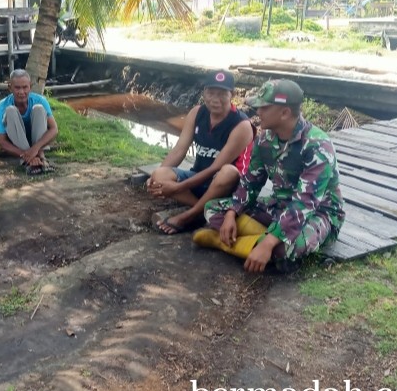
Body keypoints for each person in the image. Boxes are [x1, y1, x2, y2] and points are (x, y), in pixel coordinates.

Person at [192, 79, 345, 273]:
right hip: (278, 206)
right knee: (213, 209)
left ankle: (230, 242)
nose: (258, 112)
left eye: (264, 108)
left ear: (285, 113)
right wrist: (232, 213)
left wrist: (270, 242)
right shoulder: (265, 139)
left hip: (319, 213)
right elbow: (250, 183)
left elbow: (304, 204)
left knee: (287, 248)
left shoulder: (317, 146)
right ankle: (257, 241)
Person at [148, 70, 255, 234]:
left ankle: (189, 216)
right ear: (204, 92)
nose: (215, 99)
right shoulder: (196, 113)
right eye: (211, 93)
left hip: (226, 187)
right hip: (197, 178)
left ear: (232, 94)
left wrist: (177, 189)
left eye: (221, 94)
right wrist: (154, 178)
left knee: (227, 171)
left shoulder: (241, 125)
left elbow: (216, 168)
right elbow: (179, 149)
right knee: (160, 174)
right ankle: (203, 210)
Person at [0, 69, 59, 175]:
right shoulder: (0, 107)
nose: (21, 92)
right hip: (17, 144)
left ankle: (40, 157)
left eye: (25, 87)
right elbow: (2, 142)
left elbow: (54, 129)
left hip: (36, 142)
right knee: (10, 111)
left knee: (39, 108)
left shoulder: (40, 100)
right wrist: (25, 154)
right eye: (17, 88)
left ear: (30, 87)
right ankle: (31, 161)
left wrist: (35, 148)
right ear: (10, 88)